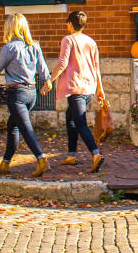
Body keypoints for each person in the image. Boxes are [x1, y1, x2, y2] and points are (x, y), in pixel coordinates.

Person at [0, 14, 52, 177]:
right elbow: (43, 69)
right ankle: (5, 163)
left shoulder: (9, 48)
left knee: (25, 129)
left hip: (16, 94)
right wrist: (47, 81)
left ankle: (41, 159)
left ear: (10, 28)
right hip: (31, 93)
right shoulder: (35, 46)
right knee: (13, 127)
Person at [43, 11, 105, 173]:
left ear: (70, 24)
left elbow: (62, 63)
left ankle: (96, 155)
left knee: (80, 122)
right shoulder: (91, 42)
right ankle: (71, 155)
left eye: (67, 23)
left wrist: (49, 81)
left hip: (76, 87)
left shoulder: (68, 40)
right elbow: (96, 67)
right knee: (70, 118)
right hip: (89, 87)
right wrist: (100, 89)